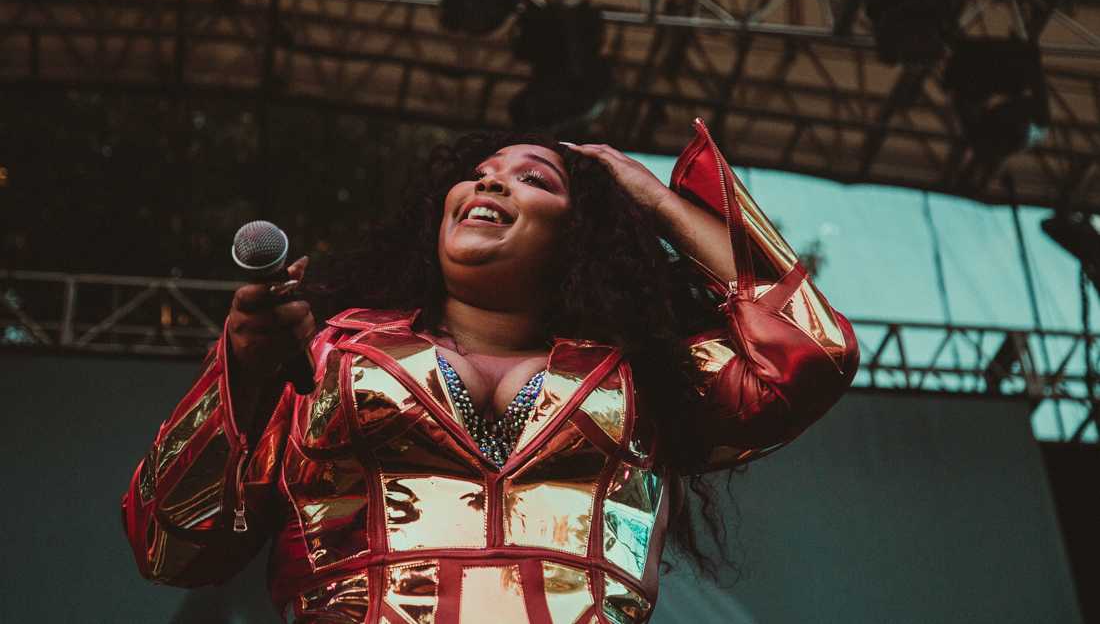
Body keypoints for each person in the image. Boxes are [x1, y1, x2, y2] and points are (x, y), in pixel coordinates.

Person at [122, 118, 859, 623]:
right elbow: (168, 542)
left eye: (533, 178)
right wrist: (244, 376)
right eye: (476, 175)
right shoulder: (325, 354)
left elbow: (810, 348)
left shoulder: (642, 379)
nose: (491, 184)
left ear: (581, 237)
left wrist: (652, 199)